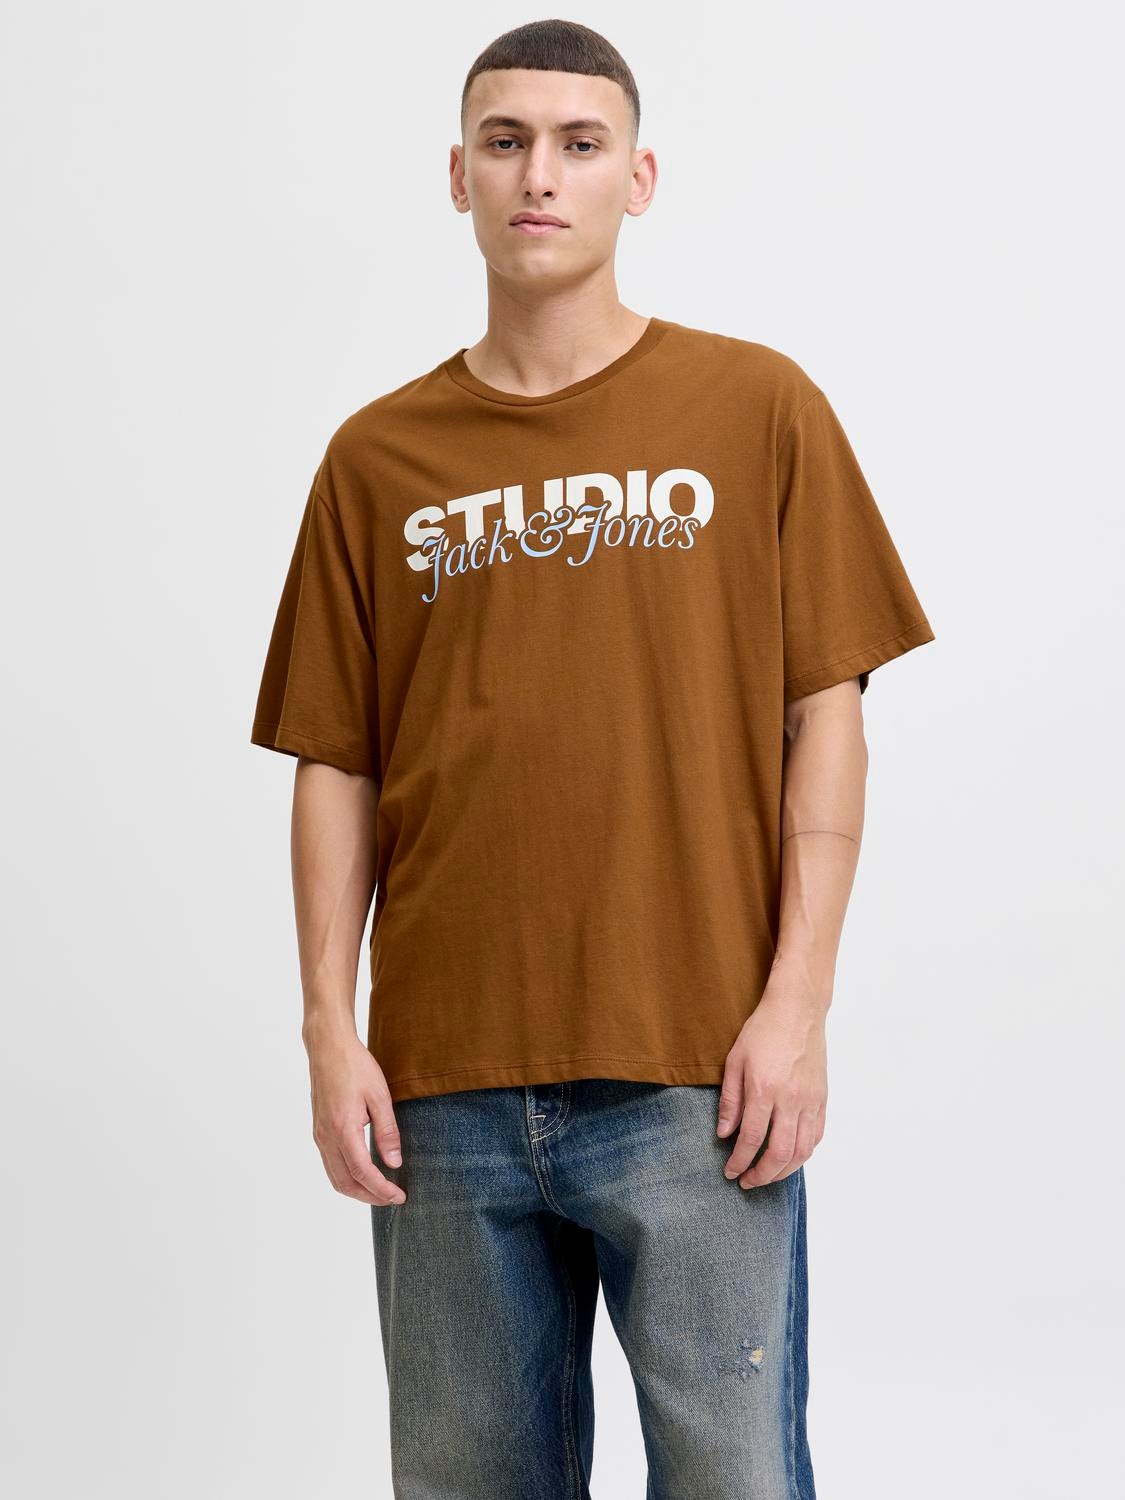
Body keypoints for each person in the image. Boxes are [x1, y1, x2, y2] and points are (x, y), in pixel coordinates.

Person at [249, 18, 935, 1499]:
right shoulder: (375, 460)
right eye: (505, 143)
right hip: (442, 1082)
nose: (539, 177)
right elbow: (334, 761)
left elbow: (827, 714)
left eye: (578, 143)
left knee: (737, 1480)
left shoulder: (757, 410)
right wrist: (326, 1029)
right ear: (458, 176)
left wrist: (798, 1006)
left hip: (697, 1071)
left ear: (640, 176)